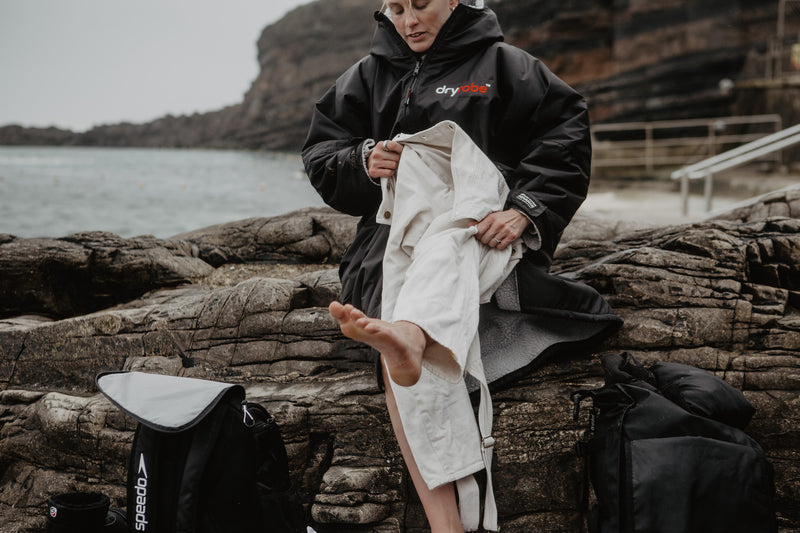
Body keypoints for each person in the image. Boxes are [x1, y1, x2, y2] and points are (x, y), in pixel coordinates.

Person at [302, 1, 620, 530]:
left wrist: (524, 210)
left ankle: (408, 337)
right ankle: (407, 343)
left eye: (421, 3)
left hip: (484, 231)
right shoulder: (367, 75)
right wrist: (361, 161)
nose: (409, 20)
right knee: (398, 342)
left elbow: (567, 133)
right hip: (389, 240)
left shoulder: (507, 66)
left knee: (437, 266)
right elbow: (320, 151)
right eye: (396, 7)